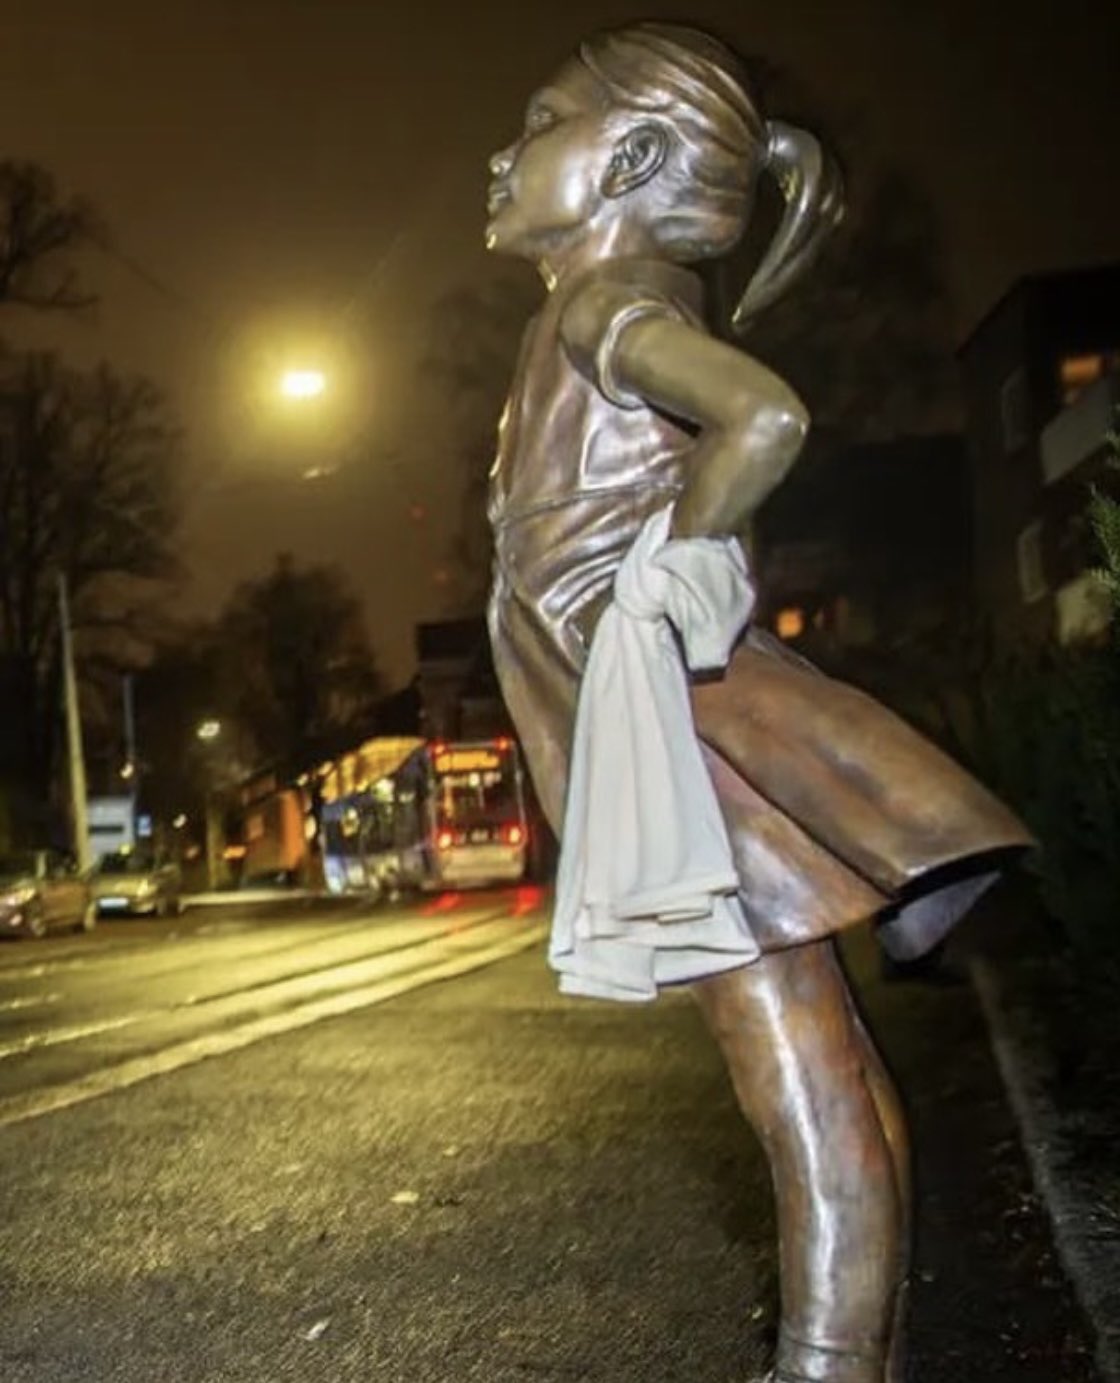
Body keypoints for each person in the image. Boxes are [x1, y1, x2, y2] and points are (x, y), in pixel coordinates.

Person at [483, 23, 1030, 1383]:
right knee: (815, 1046)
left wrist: (674, 561)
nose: (502, 151)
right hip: (673, 724)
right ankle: (854, 1351)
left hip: (683, 735)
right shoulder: (602, 310)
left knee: (785, 1059)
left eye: (542, 120)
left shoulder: (604, 310)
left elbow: (764, 420)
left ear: (637, 158)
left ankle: (829, 1361)